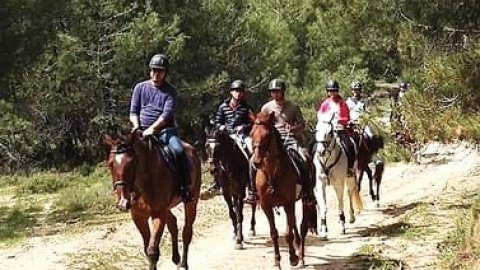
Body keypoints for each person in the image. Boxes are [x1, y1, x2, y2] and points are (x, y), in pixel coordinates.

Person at [129, 53, 192, 202]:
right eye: (153, 70)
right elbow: (133, 111)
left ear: (165, 73)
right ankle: (126, 190)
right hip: (140, 130)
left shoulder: (171, 91)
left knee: (178, 151)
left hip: (165, 130)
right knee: (124, 155)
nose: (155, 74)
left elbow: (166, 115)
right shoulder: (140, 88)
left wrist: (152, 129)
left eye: (159, 71)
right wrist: (136, 126)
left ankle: (184, 187)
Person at [260, 78, 313, 197]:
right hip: (272, 142)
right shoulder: (266, 108)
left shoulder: (293, 107)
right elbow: (261, 125)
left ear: (283, 92)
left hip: (290, 139)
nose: (275, 94)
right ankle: (254, 191)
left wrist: (294, 129)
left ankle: (308, 192)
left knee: (304, 159)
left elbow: (302, 125)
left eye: (277, 91)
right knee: (255, 160)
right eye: (273, 92)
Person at [207, 79, 256, 203]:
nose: (238, 93)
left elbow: (253, 123)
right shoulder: (223, 107)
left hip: (242, 136)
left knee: (252, 154)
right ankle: (216, 183)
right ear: (231, 92)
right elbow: (217, 122)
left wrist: (243, 127)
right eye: (235, 91)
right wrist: (222, 127)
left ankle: (252, 188)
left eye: (240, 91)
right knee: (215, 152)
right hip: (226, 135)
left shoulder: (247, 107)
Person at [317, 80, 355, 176]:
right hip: (327, 130)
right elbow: (320, 115)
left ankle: (349, 168)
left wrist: (340, 121)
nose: (332, 93)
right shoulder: (325, 104)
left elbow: (347, 117)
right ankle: (315, 167)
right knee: (314, 145)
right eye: (330, 91)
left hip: (340, 129)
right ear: (327, 92)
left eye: (334, 91)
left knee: (349, 145)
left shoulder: (342, 103)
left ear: (337, 91)